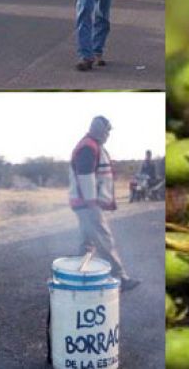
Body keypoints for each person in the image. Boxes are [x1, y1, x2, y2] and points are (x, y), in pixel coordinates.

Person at [69, 116, 140, 291]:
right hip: (88, 204)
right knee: (104, 239)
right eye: (107, 130)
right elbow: (86, 176)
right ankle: (119, 278)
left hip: (85, 204)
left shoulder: (93, 145)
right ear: (98, 129)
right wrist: (92, 203)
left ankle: (77, 277)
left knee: (88, 242)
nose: (108, 134)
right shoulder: (88, 146)